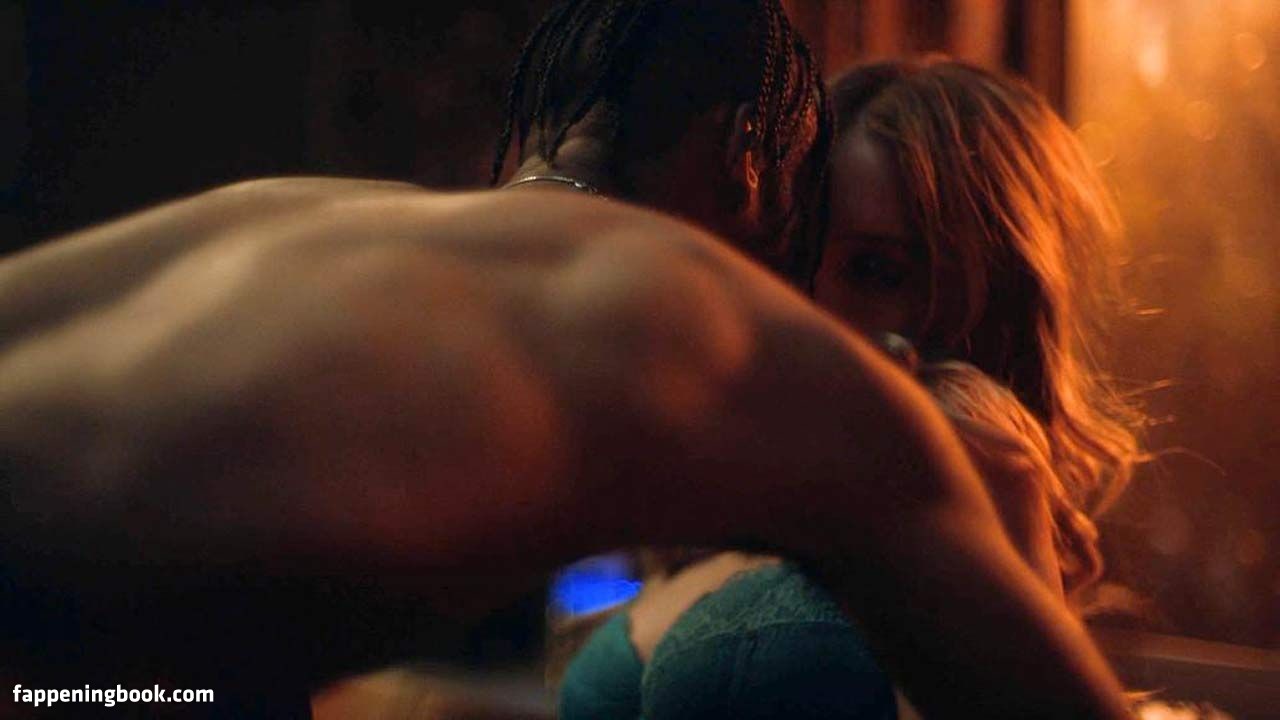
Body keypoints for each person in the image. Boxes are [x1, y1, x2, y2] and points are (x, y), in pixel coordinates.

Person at [0, 11, 1133, 720]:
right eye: (803, 247)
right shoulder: (726, 351)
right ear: (747, 162)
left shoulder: (296, 212)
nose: (811, 304)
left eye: (877, 269)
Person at [558, 58, 1144, 719]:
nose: (810, 311)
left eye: (875, 270)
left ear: (991, 314)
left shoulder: (801, 640)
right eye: (793, 260)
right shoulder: (762, 513)